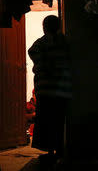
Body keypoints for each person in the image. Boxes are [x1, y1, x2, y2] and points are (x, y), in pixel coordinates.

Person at [28, 15, 72, 160]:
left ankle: (50, 152)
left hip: (46, 90)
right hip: (62, 90)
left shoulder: (42, 42)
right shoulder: (66, 42)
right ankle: (59, 151)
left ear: (44, 27)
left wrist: (41, 67)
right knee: (59, 122)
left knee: (46, 121)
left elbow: (32, 51)